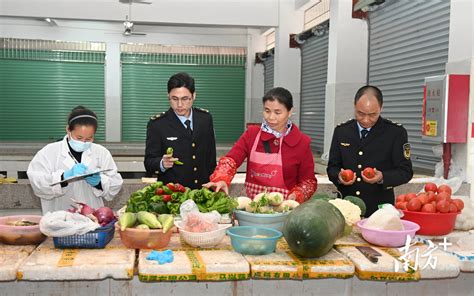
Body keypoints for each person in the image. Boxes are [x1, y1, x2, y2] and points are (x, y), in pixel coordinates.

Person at [203, 87, 317, 203]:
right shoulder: (252, 135)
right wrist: (222, 178)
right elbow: (231, 160)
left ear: (289, 112)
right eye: (267, 111)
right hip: (251, 207)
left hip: (285, 209)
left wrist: (295, 196)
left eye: (277, 112)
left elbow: (308, 182)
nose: (271, 117)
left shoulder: (301, 142)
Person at [327, 85, 413, 216]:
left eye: (373, 115)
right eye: (360, 113)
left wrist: (382, 177)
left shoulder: (395, 133)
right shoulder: (342, 131)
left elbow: (405, 171)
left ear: (381, 108)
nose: (366, 120)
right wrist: (339, 177)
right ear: (354, 106)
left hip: (379, 210)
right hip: (347, 208)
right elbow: (332, 167)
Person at [27, 106, 123, 214]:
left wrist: (99, 182)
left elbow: (115, 185)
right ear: (68, 129)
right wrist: (63, 177)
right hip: (58, 219)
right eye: (79, 138)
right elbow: (37, 183)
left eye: (89, 138)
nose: (83, 142)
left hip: (92, 219)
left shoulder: (101, 153)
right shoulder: (49, 152)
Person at [144, 72, 217, 189]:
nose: (179, 104)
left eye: (185, 99)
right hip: (173, 196)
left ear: (194, 96)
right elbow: (149, 163)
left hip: (202, 192)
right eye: (174, 99)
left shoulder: (205, 119)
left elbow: (211, 159)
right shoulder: (158, 124)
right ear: (168, 96)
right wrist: (162, 164)